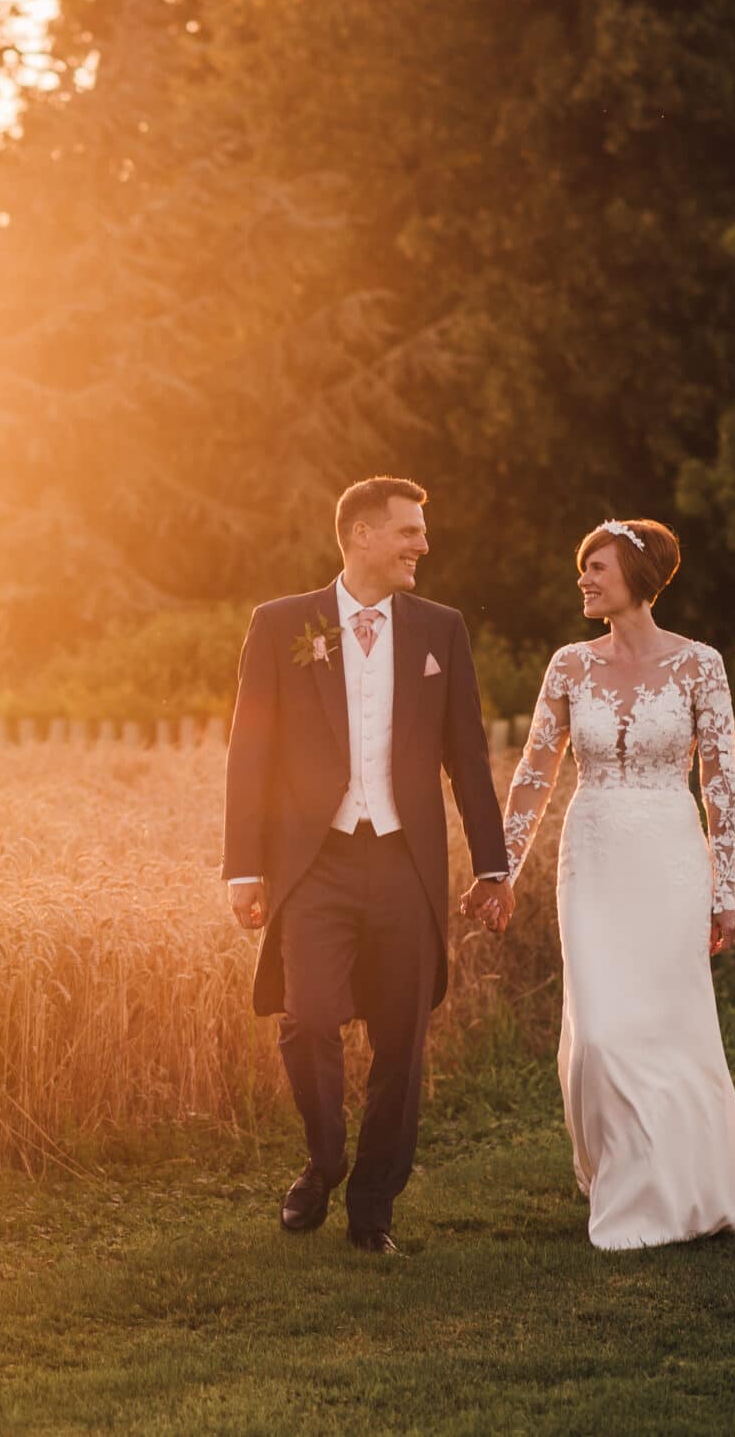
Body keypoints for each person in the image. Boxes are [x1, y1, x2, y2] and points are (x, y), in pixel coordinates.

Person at [459, 518, 735, 1249]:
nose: (584, 580)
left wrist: (724, 889)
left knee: (670, 1024)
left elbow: (721, 781)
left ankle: (682, 1191)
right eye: (583, 569)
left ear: (635, 575)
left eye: (595, 567)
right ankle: (622, 1179)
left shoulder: (702, 664)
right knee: (599, 1033)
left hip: (669, 854)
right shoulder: (569, 665)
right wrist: (501, 870)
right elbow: (536, 774)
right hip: (593, 855)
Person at [222, 476, 508, 1255]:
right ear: (360, 537)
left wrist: (493, 863)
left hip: (406, 865)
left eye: (421, 531)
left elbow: (467, 757)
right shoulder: (282, 623)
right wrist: (242, 867)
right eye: (408, 531)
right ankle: (326, 1157)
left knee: (401, 1045)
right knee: (308, 1016)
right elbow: (250, 753)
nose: (423, 544)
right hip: (316, 864)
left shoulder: (441, 629)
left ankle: (372, 1206)